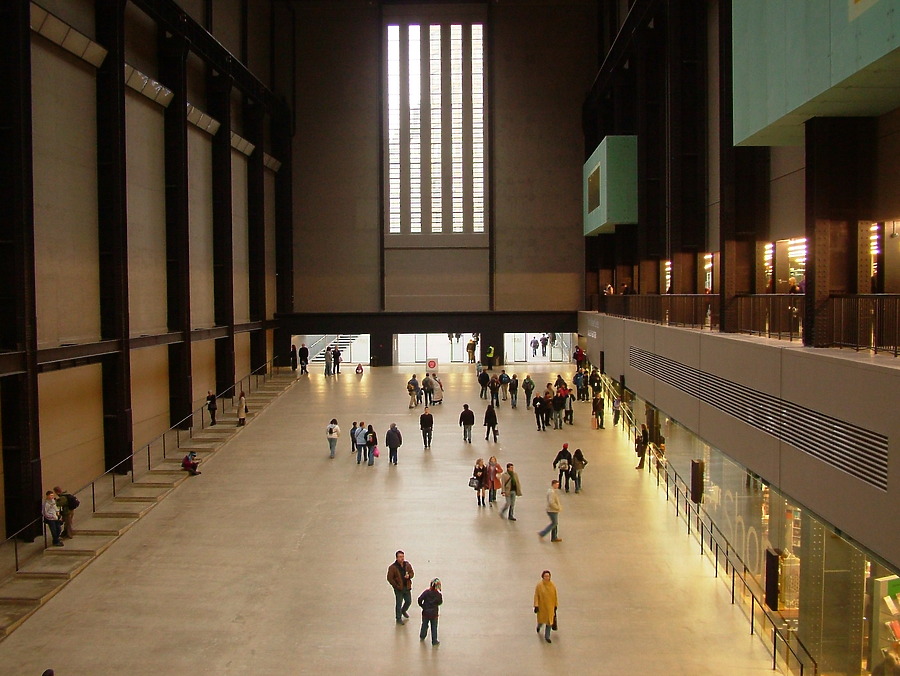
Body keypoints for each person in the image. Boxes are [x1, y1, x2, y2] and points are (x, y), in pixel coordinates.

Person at [387, 550, 415, 624]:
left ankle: (404, 610)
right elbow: (389, 578)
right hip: (399, 589)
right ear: (396, 558)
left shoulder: (407, 565)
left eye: (402, 556)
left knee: (408, 601)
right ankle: (398, 618)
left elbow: (412, 573)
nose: (402, 558)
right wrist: (396, 586)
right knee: (399, 603)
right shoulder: (392, 567)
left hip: (407, 587)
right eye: (400, 557)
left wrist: (409, 576)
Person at [533, 570, 559, 643]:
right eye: (545, 576)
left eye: (548, 576)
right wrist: (536, 605)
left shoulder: (552, 585)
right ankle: (539, 626)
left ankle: (547, 636)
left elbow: (555, 596)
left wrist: (556, 605)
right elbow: (536, 596)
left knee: (549, 622)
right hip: (542, 607)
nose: (547, 578)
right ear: (543, 577)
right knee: (541, 620)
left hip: (550, 607)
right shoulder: (539, 586)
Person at [418, 578, 443, 646]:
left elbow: (420, 599)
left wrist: (422, 606)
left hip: (425, 613)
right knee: (434, 627)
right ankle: (434, 640)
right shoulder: (438, 595)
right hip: (434, 614)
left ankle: (422, 636)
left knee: (424, 625)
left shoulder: (426, 592)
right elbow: (440, 602)